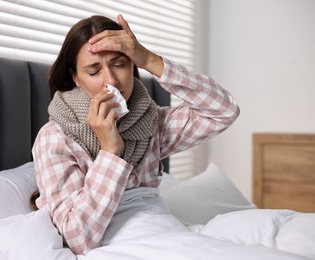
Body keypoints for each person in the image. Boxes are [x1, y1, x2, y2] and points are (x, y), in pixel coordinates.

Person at [32, 14, 240, 255]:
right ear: (76, 78)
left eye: (120, 64)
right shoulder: (55, 138)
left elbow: (224, 110)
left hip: (166, 232)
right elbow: (76, 236)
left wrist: (150, 59)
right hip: (122, 246)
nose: (111, 80)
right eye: (94, 70)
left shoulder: (152, 124)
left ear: (132, 65)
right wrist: (110, 152)